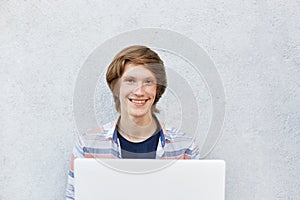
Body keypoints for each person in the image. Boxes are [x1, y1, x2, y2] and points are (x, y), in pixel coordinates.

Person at [65, 45, 200, 199]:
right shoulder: (87, 146)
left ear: (157, 89)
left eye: (148, 82)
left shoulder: (185, 148)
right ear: (116, 88)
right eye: (130, 80)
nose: (139, 91)